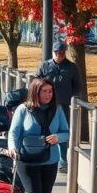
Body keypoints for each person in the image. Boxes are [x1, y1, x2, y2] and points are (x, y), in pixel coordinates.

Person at [8, 78, 69, 193]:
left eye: (50, 91)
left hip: (50, 159)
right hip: (26, 159)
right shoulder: (23, 109)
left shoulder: (57, 109)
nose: (48, 95)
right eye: (44, 91)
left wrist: (58, 137)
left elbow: (66, 132)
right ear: (36, 91)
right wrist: (13, 149)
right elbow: (13, 132)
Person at [35, 41, 83, 171]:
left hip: (62, 105)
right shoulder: (45, 66)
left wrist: (70, 97)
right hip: (45, 105)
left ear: (64, 53)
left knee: (62, 132)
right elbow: (36, 82)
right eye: (56, 53)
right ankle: (40, 155)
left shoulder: (72, 67)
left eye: (61, 53)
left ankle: (63, 160)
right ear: (52, 52)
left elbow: (78, 85)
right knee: (43, 130)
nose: (59, 55)